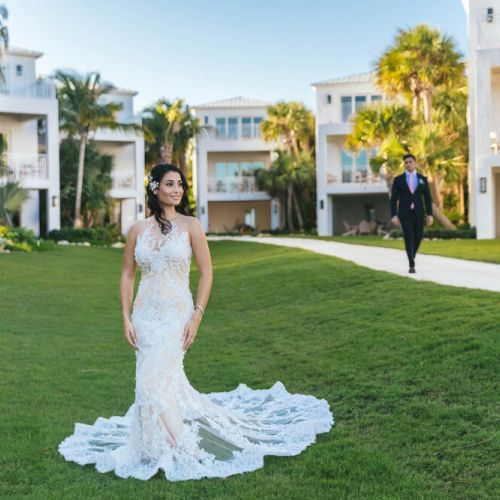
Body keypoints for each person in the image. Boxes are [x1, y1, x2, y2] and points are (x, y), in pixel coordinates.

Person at [58, 163, 334, 481]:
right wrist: (125, 317)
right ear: (155, 188)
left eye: (181, 185)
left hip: (177, 315)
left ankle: (189, 451)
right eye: (170, 184)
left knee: (151, 383)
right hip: (145, 316)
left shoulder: (191, 226)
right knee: (155, 383)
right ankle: (152, 446)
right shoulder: (137, 230)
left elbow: (207, 272)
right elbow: (126, 275)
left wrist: (197, 315)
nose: (177, 190)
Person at [390, 153, 433, 273]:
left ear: (415, 163)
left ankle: (411, 256)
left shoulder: (422, 179)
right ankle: (411, 264)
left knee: (418, 237)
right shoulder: (398, 180)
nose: (408, 164)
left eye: (410, 162)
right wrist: (394, 215)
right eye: (406, 163)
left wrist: (430, 214)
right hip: (405, 213)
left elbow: (428, 198)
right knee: (409, 237)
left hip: (419, 213)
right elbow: (394, 199)